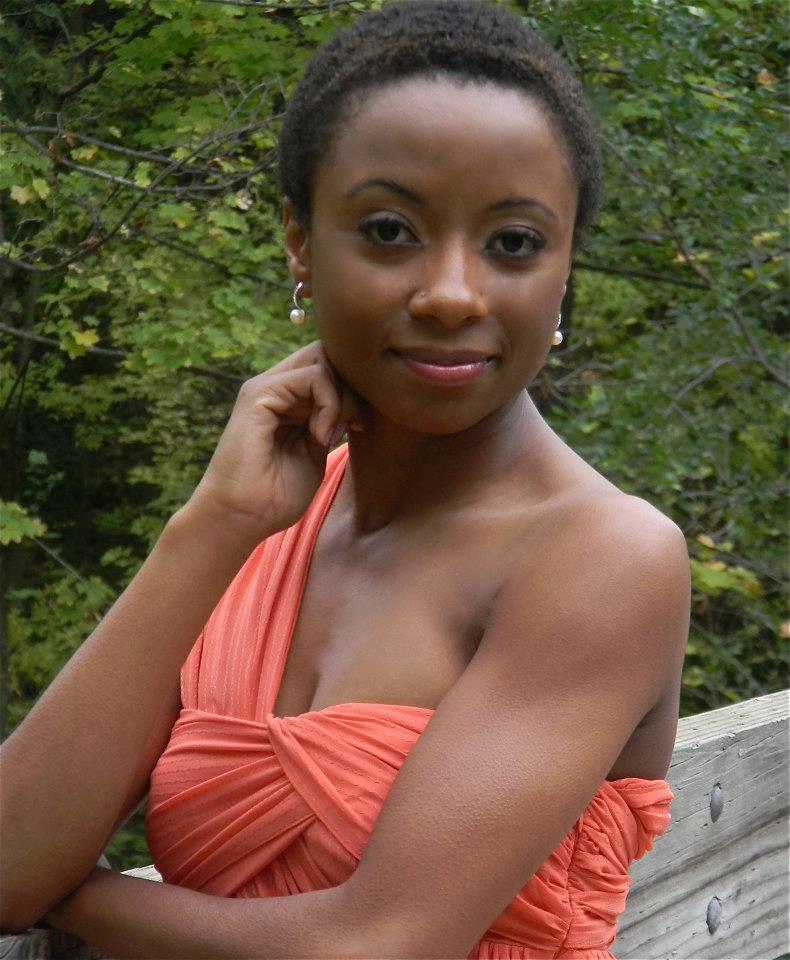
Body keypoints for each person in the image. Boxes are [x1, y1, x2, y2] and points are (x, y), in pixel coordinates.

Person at [0, 1, 690, 957]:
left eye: (515, 244)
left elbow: (381, 944)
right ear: (299, 240)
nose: (452, 294)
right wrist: (216, 522)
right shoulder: (268, 527)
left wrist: (73, 899)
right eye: (390, 230)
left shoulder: (604, 557)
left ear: (567, 264)